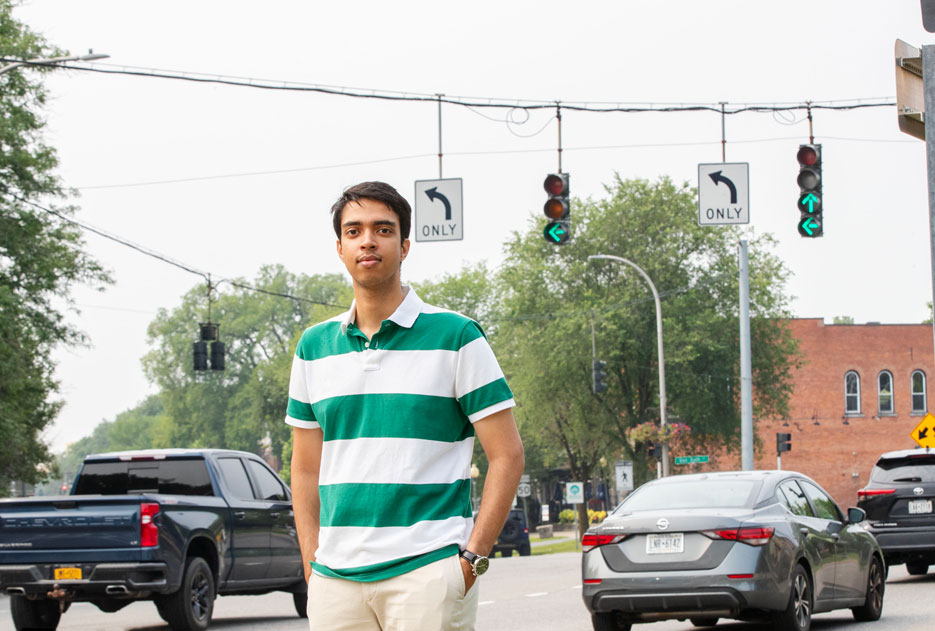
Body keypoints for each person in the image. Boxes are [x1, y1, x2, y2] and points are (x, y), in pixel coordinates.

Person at [286, 181, 524, 631]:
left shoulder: (456, 337)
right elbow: (304, 468)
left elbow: (507, 454)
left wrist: (472, 561)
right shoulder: (313, 347)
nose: (368, 240)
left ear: (405, 244)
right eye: (354, 231)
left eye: (383, 229)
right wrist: (311, 563)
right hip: (335, 580)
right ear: (339, 248)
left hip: (427, 571)